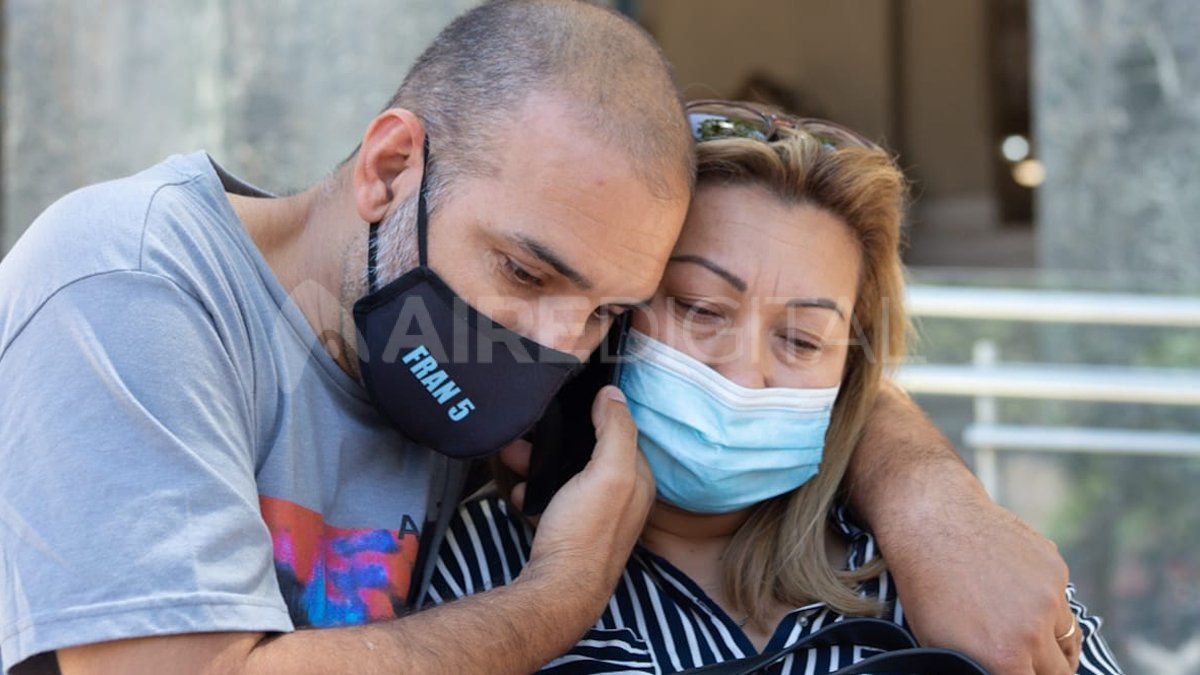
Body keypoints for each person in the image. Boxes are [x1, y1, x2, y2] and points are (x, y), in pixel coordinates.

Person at [0, 2, 1083, 674]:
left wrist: (932, 501)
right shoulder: (135, 282)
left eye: (611, 310)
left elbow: (778, 351)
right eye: (526, 271)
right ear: (388, 169)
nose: (554, 345)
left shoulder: (453, 338)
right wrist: (561, 593)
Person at [428, 102, 1123, 674]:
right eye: (701, 308)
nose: (745, 372)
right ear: (609, 314)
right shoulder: (481, 568)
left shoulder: (949, 583)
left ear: (848, 376)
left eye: (802, 340)